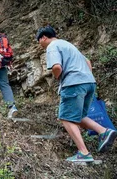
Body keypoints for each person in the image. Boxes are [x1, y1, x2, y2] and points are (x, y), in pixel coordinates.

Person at [37, 25, 117, 162]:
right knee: (78, 116)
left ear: (44, 37)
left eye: (38, 41)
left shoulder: (52, 46)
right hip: (89, 82)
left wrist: (59, 78)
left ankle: (83, 153)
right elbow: (88, 62)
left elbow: (56, 67)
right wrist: (84, 78)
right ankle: (104, 131)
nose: (40, 45)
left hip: (73, 83)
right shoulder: (68, 45)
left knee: (65, 117)